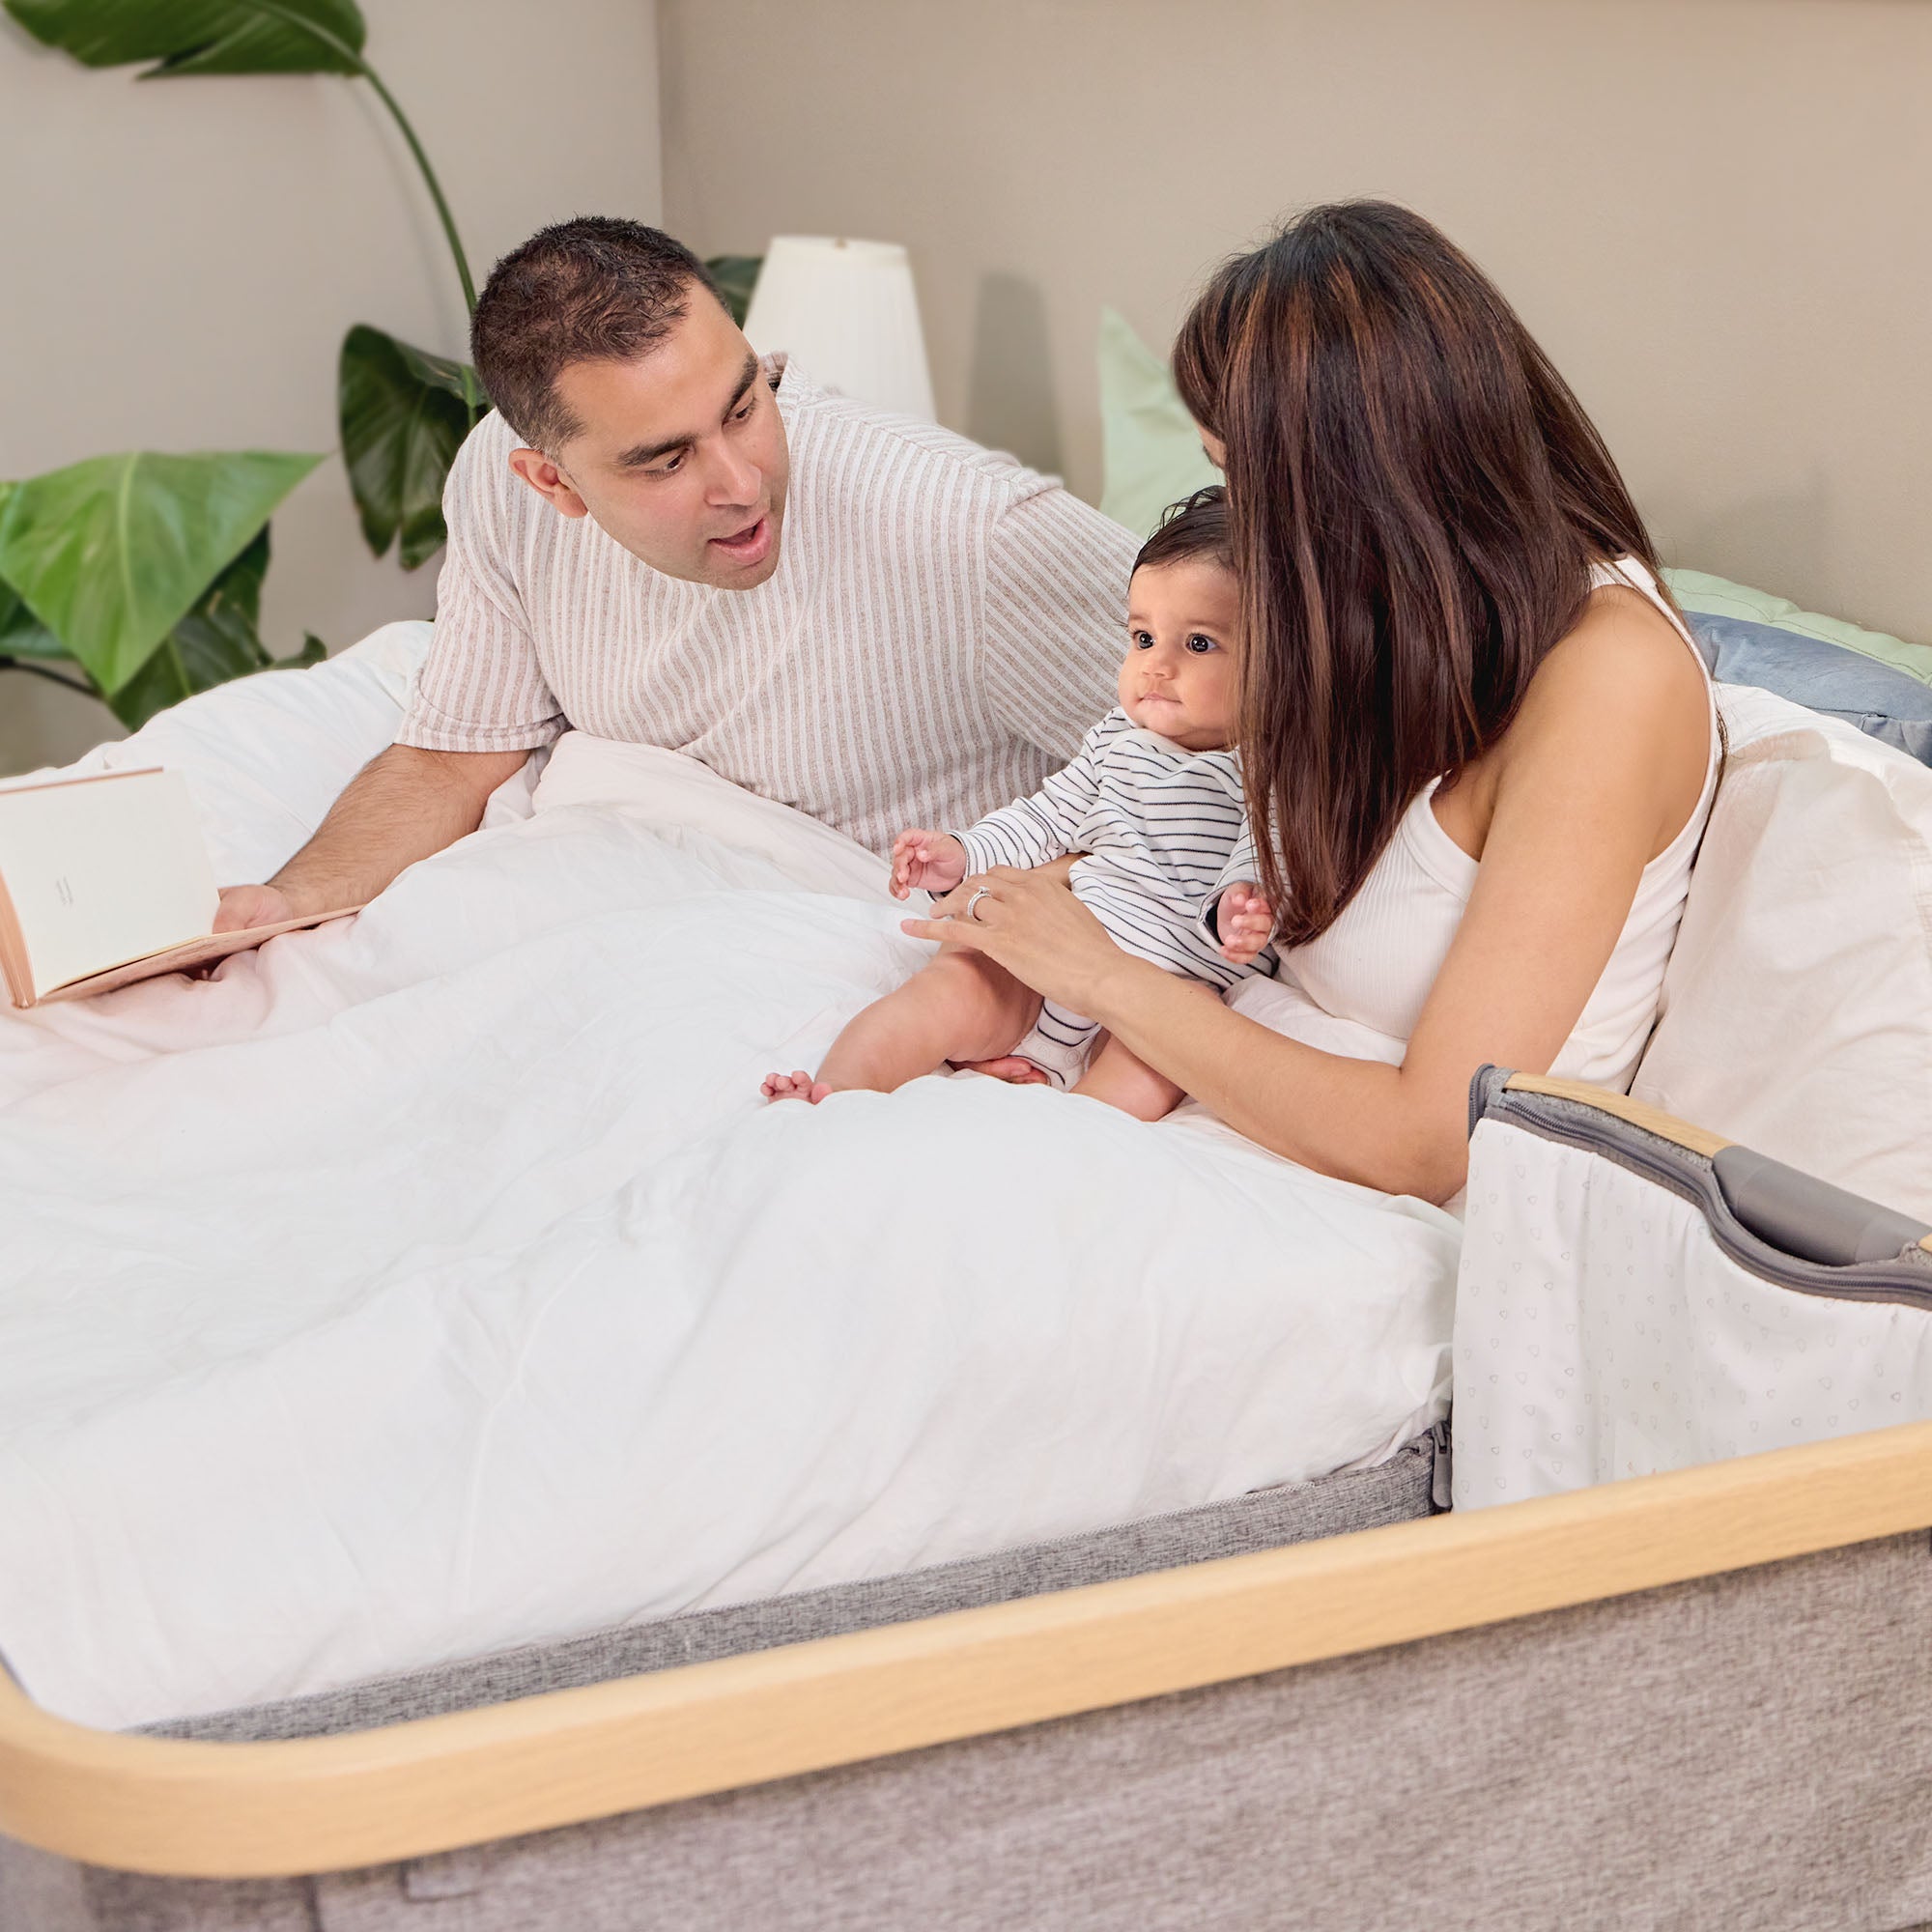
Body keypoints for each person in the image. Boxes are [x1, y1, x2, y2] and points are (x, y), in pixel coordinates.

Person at [903, 200, 1719, 1205]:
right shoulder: (1406, 621)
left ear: (1354, 478)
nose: (1241, 526)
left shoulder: (1608, 677)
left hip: (1377, 1213)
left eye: (1251, 479)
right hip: (1199, 1108)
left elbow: (1434, 1141)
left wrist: (1101, 979)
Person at [214, 217, 1137, 932]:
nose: (741, 485)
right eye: (665, 462)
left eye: (744, 405)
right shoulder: (502, 493)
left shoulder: (973, 533)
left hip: (876, 944)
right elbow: (455, 753)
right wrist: (288, 902)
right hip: (642, 919)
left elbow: (1245, 782)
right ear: (552, 481)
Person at [762, 487, 1276, 1120]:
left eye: (1197, 644)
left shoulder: (1272, 771)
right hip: (1049, 959)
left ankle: (1058, 1139)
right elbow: (1045, 817)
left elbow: (1268, 848)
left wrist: (1242, 903)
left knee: (1163, 1058)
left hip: (1159, 995)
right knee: (949, 989)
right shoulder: (1118, 740)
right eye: (1143, 638)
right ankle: (833, 1093)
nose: (1156, 667)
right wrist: (962, 853)